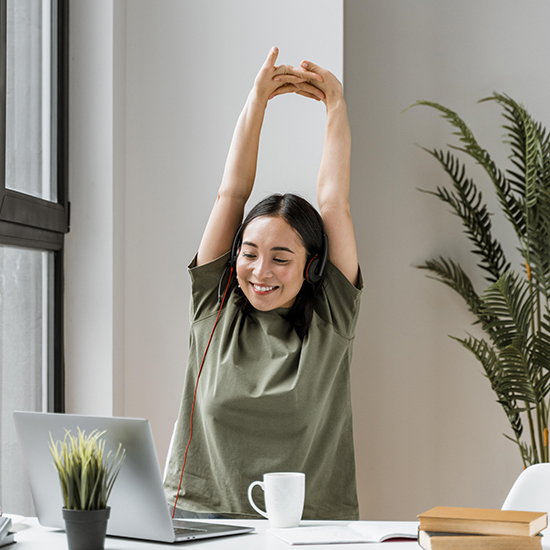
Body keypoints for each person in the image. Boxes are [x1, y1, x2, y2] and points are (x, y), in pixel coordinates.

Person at [164, 47, 362, 521]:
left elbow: (334, 203)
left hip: (309, 532)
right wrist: (257, 100)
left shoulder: (331, 316)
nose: (259, 270)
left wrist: (336, 105)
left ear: (312, 266)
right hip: (197, 521)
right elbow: (231, 191)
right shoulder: (215, 304)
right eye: (249, 254)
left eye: (280, 258)